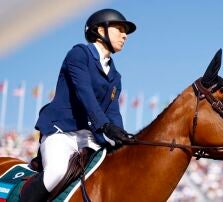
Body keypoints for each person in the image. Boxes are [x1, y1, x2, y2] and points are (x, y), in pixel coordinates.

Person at [20, 8, 136, 202]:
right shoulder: (79, 54)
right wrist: (106, 126)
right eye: (119, 29)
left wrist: (122, 138)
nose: (125, 35)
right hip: (62, 132)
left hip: (90, 138)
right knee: (56, 172)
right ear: (100, 31)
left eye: (125, 32)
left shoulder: (115, 76)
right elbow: (85, 94)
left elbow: (113, 112)